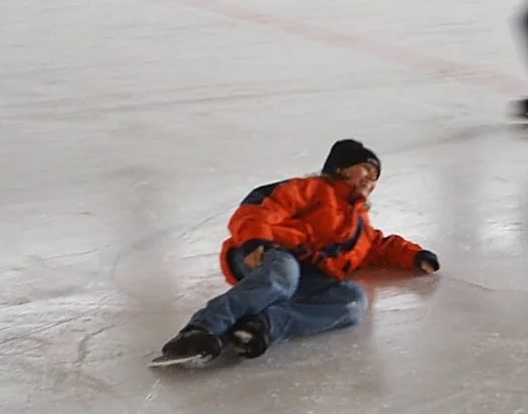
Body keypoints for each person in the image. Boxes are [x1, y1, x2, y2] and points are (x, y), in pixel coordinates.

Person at [154, 139, 440, 367]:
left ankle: (261, 326)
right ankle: (201, 330)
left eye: (376, 176)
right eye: (366, 169)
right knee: (282, 276)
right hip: (268, 254)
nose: (371, 179)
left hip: (308, 276)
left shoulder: (361, 225)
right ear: (341, 168)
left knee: (352, 301)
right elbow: (259, 206)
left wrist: (416, 256)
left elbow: (380, 246)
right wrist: (254, 241)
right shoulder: (311, 189)